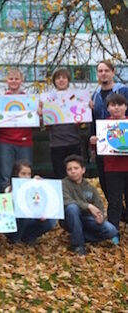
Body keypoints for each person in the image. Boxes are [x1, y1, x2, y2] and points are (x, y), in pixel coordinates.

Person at [61, 154, 118, 255]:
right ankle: (78, 245)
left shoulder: (90, 188)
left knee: (112, 230)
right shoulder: (64, 184)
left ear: (83, 170)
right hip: (69, 217)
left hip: (87, 218)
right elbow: (66, 201)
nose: (73, 171)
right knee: (72, 208)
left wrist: (100, 216)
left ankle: (81, 235)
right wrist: (88, 206)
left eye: (76, 168)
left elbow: (99, 205)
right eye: (69, 169)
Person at [90, 60, 128, 201]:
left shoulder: (123, 90)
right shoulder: (95, 95)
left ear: (113, 72)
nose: (103, 74)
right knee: (106, 182)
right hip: (103, 145)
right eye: (100, 71)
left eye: (106, 70)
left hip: (123, 141)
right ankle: (121, 215)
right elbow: (93, 120)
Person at [90, 93, 128, 233]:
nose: (116, 108)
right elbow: (99, 149)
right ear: (108, 108)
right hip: (112, 169)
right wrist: (93, 143)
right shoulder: (104, 125)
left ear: (126, 107)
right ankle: (113, 231)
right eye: (113, 105)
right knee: (115, 202)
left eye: (120, 104)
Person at [0, 68, 36, 193]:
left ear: (21, 80)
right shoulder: (0, 100)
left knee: (25, 175)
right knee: (6, 176)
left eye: (17, 79)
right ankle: (8, 206)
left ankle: (25, 204)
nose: (14, 81)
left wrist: (38, 114)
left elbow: (36, 121)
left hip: (25, 142)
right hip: (5, 141)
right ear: (6, 81)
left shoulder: (30, 100)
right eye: (11, 79)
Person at [4, 160, 56, 244]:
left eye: (29, 174)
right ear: (16, 174)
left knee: (51, 221)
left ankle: (29, 237)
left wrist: (42, 185)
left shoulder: (34, 187)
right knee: (25, 215)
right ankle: (15, 239)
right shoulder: (9, 190)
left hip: (31, 219)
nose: (26, 177)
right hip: (16, 223)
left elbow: (41, 202)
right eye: (23, 174)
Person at [46, 69, 83, 179]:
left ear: (68, 80)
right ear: (54, 81)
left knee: (76, 176)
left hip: (73, 142)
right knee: (60, 176)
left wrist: (86, 108)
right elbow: (47, 126)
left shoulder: (77, 97)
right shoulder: (48, 99)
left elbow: (81, 123)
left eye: (64, 78)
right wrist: (43, 113)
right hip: (56, 144)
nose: (61, 80)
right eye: (58, 78)